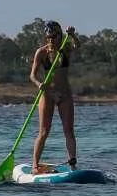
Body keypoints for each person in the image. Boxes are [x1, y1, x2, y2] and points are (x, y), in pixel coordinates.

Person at [28, 20, 79, 172]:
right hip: (48, 94)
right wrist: (39, 84)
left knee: (68, 131)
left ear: (60, 36)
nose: (51, 39)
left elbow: (78, 46)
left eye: (54, 36)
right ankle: (35, 166)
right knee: (44, 131)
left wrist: (72, 35)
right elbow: (32, 75)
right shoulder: (41, 52)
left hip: (65, 94)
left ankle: (73, 165)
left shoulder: (66, 48)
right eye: (48, 37)